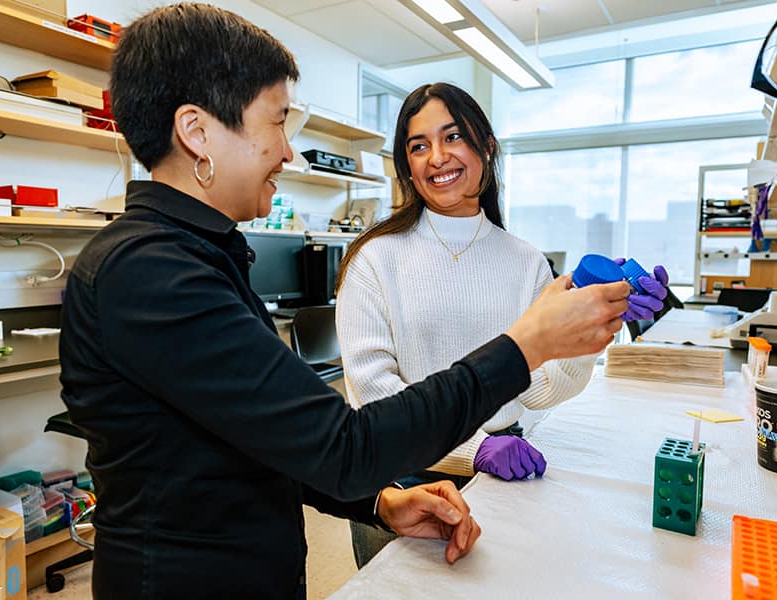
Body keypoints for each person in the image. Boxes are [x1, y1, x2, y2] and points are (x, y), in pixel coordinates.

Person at [58, 6, 631, 599]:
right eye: (277, 122)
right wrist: (525, 344)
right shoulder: (151, 273)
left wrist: (378, 502)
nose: (288, 153)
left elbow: (275, 439)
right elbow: (346, 445)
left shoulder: (200, 255)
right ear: (196, 132)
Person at [334, 82, 669, 567]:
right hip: (401, 482)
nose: (437, 158)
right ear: (405, 164)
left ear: (486, 146)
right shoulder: (373, 258)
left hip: (503, 473)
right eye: (419, 146)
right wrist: (475, 449)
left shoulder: (525, 261)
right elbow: (372, 395)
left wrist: (595, 326)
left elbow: (540, 387)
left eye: (453, 137)